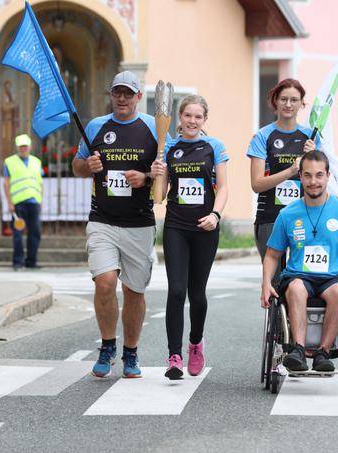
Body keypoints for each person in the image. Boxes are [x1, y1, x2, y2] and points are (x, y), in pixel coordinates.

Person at [72, 71, 161, 378]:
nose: (122, 99)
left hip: (139, 223)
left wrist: (147, 177)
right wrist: (88, 166)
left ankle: (131, 352)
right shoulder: (97, 126)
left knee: (134, 291)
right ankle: (108, 345)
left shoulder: (154, 127)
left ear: (139, 96)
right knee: (105, 282)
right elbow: (78, 166)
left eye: (128, 93)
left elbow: (168, 171)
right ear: (111, 95)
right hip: (103, 220)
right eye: (117, 93)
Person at [261, 150, 338, 372]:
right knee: (295, 288)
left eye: (318, 175)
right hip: (299, 275)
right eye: (307, 175)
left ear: (328, 176)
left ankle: (323, 353)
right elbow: (272, 254)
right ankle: (297, 349)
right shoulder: (288, 214)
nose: (313, 182)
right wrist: (266, 283)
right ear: (301, 177)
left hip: (334, 277)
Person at [150, 95, 229, 380]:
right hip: (176, 227)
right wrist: (156, 173)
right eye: (188, 116)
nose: (192, 121)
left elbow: (223, 188)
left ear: (204, 120)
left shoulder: (214, 147)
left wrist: (216, 216)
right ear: (179, 118)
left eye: (198, 117)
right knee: (176, 290)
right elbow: (159, 197)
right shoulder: (168, 147)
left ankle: (195, 342)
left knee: (197, 294)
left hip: (205, 228)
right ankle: (174, 356)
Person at [247, 79, 320, 267]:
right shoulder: (263, 136)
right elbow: (256, 184)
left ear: (302, 104)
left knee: (302, 280)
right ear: (275, 101)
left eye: (294, 100)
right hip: (270, 218)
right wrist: (290, 171)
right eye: (284, 99)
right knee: (274, 286)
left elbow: (319, 181)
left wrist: (312, 156)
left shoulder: (310, 137)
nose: (288, 104)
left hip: (304, 216)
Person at [3, 133, 43, 270]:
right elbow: (6, 184)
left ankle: (31, 262)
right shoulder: (9, 162)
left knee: (35, 232)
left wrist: (40, 200)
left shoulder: (37, 162)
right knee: (18, 234)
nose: (24, 148)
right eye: (21, 146)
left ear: (30, 147)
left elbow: (39, 182)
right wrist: (9, 203)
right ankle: (17, 262)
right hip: (18, 203)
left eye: (25, 146)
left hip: (34, 203)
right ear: (17, 147)